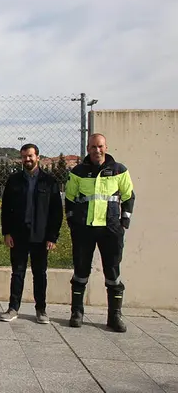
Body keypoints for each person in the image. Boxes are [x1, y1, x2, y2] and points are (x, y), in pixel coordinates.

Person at [65, 133, 135, 332]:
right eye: (93, 147)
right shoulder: (78, 171)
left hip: (110, 229)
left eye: (100, 146)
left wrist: (124, 221)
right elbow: (69, 197)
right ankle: (76, 313)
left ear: (106, 147)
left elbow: (129, 196)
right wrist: (72, 221)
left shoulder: (118, 170)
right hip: (84, 230)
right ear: (88, 149)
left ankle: (114, 316)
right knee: (80, 271)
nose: (97, 150)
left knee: (112, 272)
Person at [0, 143, 62, 324]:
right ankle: (13, 308)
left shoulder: (49, 182)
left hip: (41, 236)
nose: (27, 159)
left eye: (31, 156)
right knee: (17, 273)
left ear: (38, 158)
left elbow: (56, 211)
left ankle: (41, 310)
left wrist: (52, 236)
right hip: (18, 235)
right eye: (24, 156)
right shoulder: (14, 180)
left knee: (40, 274)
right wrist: (7, 233)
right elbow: (6, 210)